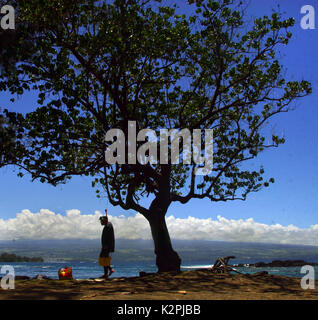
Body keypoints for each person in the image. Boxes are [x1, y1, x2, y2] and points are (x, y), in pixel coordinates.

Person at [99, 210, 115, 278]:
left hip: (106, 246)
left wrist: (105, 246)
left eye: (102, 221)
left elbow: (107, 237)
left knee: (103, 258)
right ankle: (108, 271)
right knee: (104, 258)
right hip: (107, 246)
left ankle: (109, 271)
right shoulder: (108, 225)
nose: (101, 222)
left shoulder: (108, 226)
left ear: (105, 221)